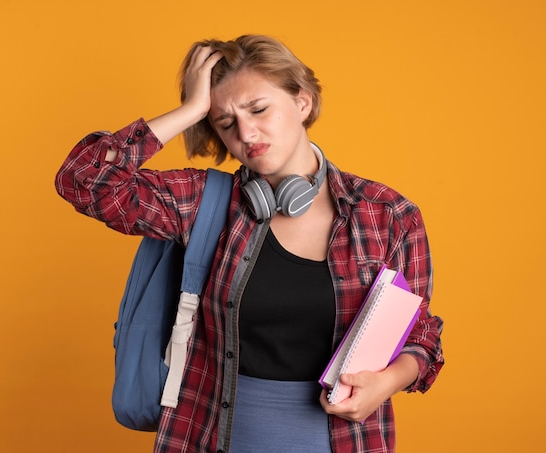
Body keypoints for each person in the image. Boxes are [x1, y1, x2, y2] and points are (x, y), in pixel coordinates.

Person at [55, 34, 444, 453]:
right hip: (212, 438)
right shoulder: (204, 203)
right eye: (225, 122)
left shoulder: (387, 214)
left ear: (303, 102)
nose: (246, 132)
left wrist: (385, 383)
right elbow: (83, 180)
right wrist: (190, 111)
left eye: (259, 109)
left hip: (344, 441)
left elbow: (420, 334)